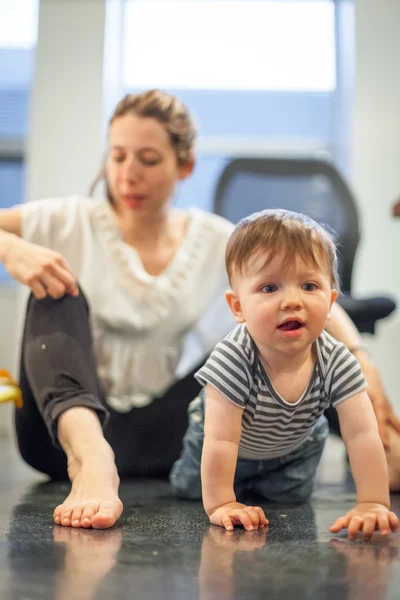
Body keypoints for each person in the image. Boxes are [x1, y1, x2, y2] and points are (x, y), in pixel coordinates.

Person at [0, 89, 398, 531]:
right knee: (55, 289)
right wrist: (10, 247)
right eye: (117, 157)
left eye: (148, 159)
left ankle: (387, 459)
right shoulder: (66, 220)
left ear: (184, 165)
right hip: (61, 438)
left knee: (288, 339)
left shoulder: (212, 239)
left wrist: (362, 358)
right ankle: (93, 464)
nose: (128, 174)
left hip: (165, 438)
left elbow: (306, 291)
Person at [170, 209, 399, 541]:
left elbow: (362, 434)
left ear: (331, 301)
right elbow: (221, 440)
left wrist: (372, 502)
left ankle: (264, 486)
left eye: (309, 285)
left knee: (288, 504)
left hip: (294, 452)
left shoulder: (335, 358)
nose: (292, 301)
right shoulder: (234, 357)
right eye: (269, 288)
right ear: (238, 307)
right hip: (219, 449)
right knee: (190, 491)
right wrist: (223, 502)